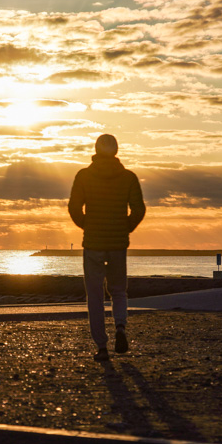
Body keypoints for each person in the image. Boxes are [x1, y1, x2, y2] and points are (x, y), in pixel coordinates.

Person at [68, 134, 146, 361]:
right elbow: (139, 209)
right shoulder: (128, 177)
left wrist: (87, 225)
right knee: (119, 290)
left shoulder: (83, 176)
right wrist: (125, 229)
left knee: (94, 294)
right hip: (118, 244)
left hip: (93, 242)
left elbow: (73, 207)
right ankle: (120, 326)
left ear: (95, 149)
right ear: (116, 151)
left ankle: (101, 346)